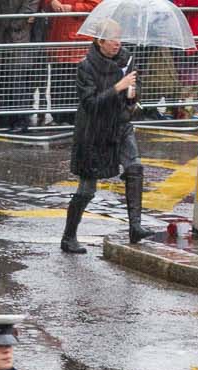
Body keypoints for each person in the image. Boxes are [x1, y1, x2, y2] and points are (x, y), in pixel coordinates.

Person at [61, 28, 145, 252]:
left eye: (119, 38)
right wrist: (118, 86)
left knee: (135, 167)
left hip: (120, 125)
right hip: (94, 132)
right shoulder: (86, 66)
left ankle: (135, 226)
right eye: (112, 39)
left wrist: (132, 95)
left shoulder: (127, 61)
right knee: (87, 189)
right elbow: (90, 104)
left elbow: (135, 92)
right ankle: (69, 236)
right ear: (99, 41)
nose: (117, 43)